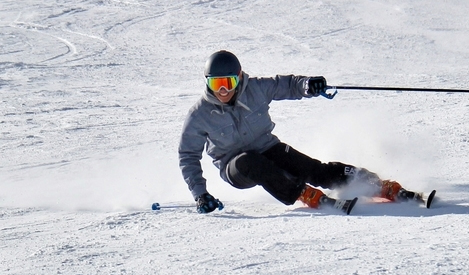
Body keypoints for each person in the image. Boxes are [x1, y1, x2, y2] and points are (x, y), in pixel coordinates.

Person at [178, 50, 416, 213]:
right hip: (236, 168)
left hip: (267, 148)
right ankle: (302, 193)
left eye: (227, 83)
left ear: (239, 78)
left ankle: (376, 185)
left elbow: (287, 85)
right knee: (249, 162)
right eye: (215, 84)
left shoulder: (257, 89)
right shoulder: (199, 115)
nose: (222, 91)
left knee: (313, 169)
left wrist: (308, 85)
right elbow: (188, 156)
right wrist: (201, 194)